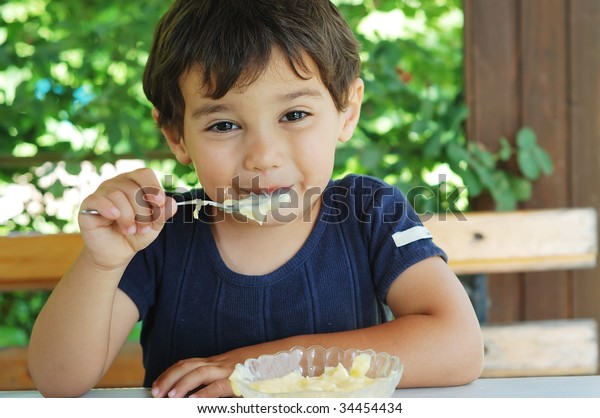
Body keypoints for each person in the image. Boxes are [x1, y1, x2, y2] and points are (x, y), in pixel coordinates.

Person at [28, 0, 484, 398]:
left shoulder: (370, 212)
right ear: (176, 136)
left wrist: (266, 367)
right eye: (224, 125)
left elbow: (458, 347)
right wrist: (103, 262)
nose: (263, 157)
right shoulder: (158, 234)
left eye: (295, 114)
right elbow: (58, 380)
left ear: (347, 110)